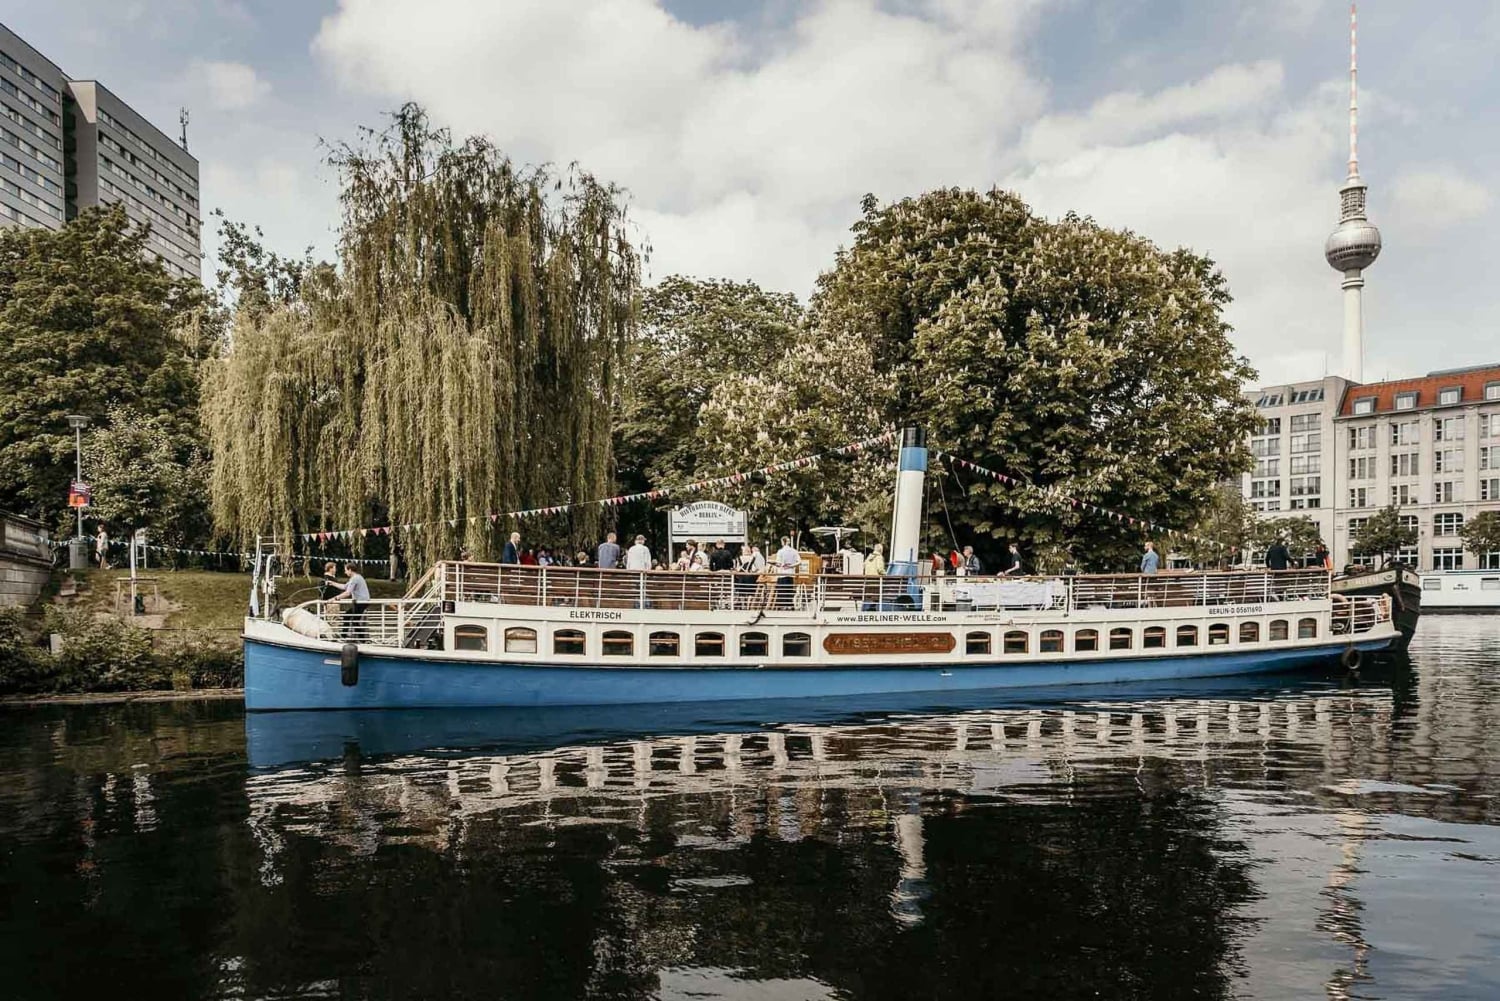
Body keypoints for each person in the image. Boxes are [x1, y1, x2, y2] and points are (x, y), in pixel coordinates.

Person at [331, 565, 371, 640]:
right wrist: (332, 583)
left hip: (361, 602)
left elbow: (348, 593)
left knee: (352, 619)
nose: (345, 572)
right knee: (350, 618)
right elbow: (344, 587)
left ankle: (359, 638)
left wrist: (335, 598)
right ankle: (359, 638)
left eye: (346, 570)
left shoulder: (355, 578)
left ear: (350, 570)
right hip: (360, 602)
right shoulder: (356, 578)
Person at [774, 536, 801, 609]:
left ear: (783, 542)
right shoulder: (794, 551)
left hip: (782, 573)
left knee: (782, 590)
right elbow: (799, 562)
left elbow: (778, 563)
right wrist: (791, 566)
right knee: (789, 589)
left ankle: (783, 605)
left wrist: (775, 564)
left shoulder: (780, 551)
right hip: (791, 573)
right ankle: (789, 605)